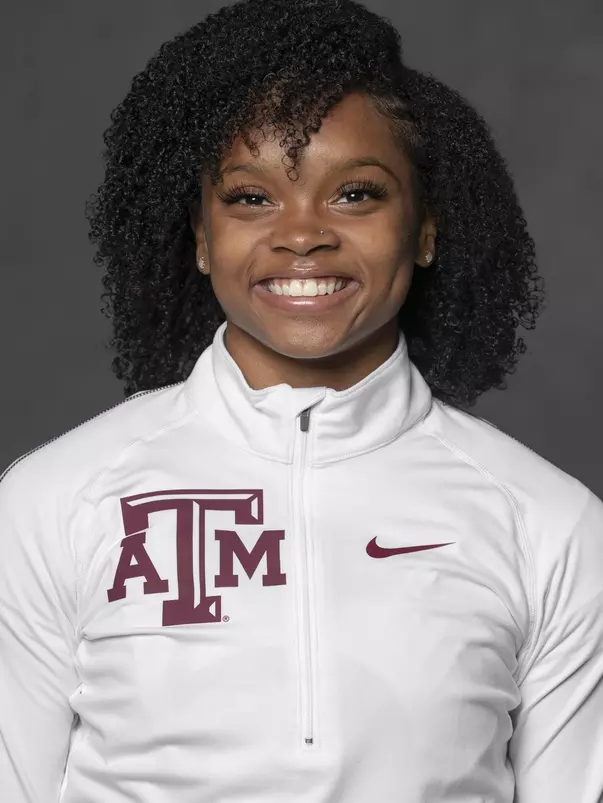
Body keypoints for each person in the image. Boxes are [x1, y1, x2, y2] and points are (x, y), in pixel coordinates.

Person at [1, 0, 602, 800]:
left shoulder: (550, 524)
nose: (301, 234)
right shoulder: (53, 499)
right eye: (251, 198)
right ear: (201, 235)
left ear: (423, 231)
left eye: (355, 194)